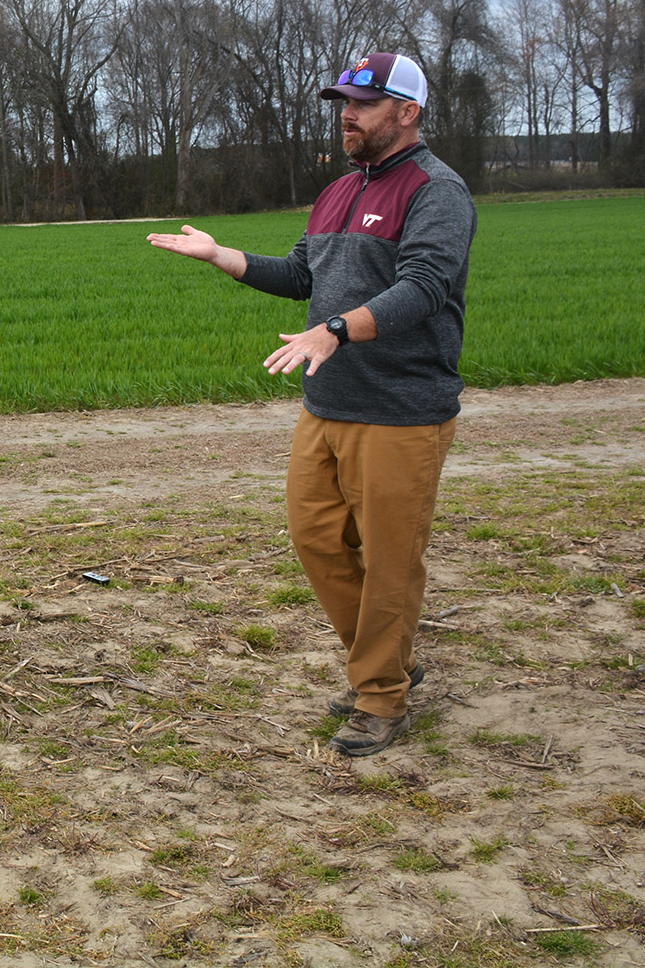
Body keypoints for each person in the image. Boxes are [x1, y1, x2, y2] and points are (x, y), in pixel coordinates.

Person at [147, 51, 473, 757]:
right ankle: (388, 662)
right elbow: (302, 274)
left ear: (407, 112)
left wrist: (335, 330)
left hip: (402, 409)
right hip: (327, 405)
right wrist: (223, 256)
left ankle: (382, 695)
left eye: (363, 102)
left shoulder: (436, 192)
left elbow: (424, 287)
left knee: (391, 560)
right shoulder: (337, 190)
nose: (347, 115)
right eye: (342, 103)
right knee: (317, 540)